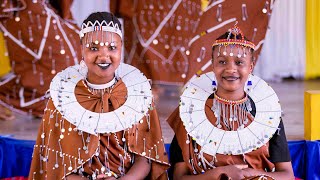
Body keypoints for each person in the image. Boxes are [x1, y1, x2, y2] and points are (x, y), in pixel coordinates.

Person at [29, 12, 169, 180]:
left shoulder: (138, 94)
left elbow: (146, 158)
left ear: (121, 48)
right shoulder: (62, 98)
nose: (103, 56)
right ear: (81, 49)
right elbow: (53, 166)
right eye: (93, 48)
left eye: (112, 48)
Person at [167, 23, 295, 180]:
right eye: (222, 62)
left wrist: (249, 173)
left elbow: (287, 175)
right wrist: (215, 174)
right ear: (213, 65)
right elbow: (178, 177)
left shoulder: (267, 113)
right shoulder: (190, 112)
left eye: (239, 62)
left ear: (251, 67)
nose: (230, 69)